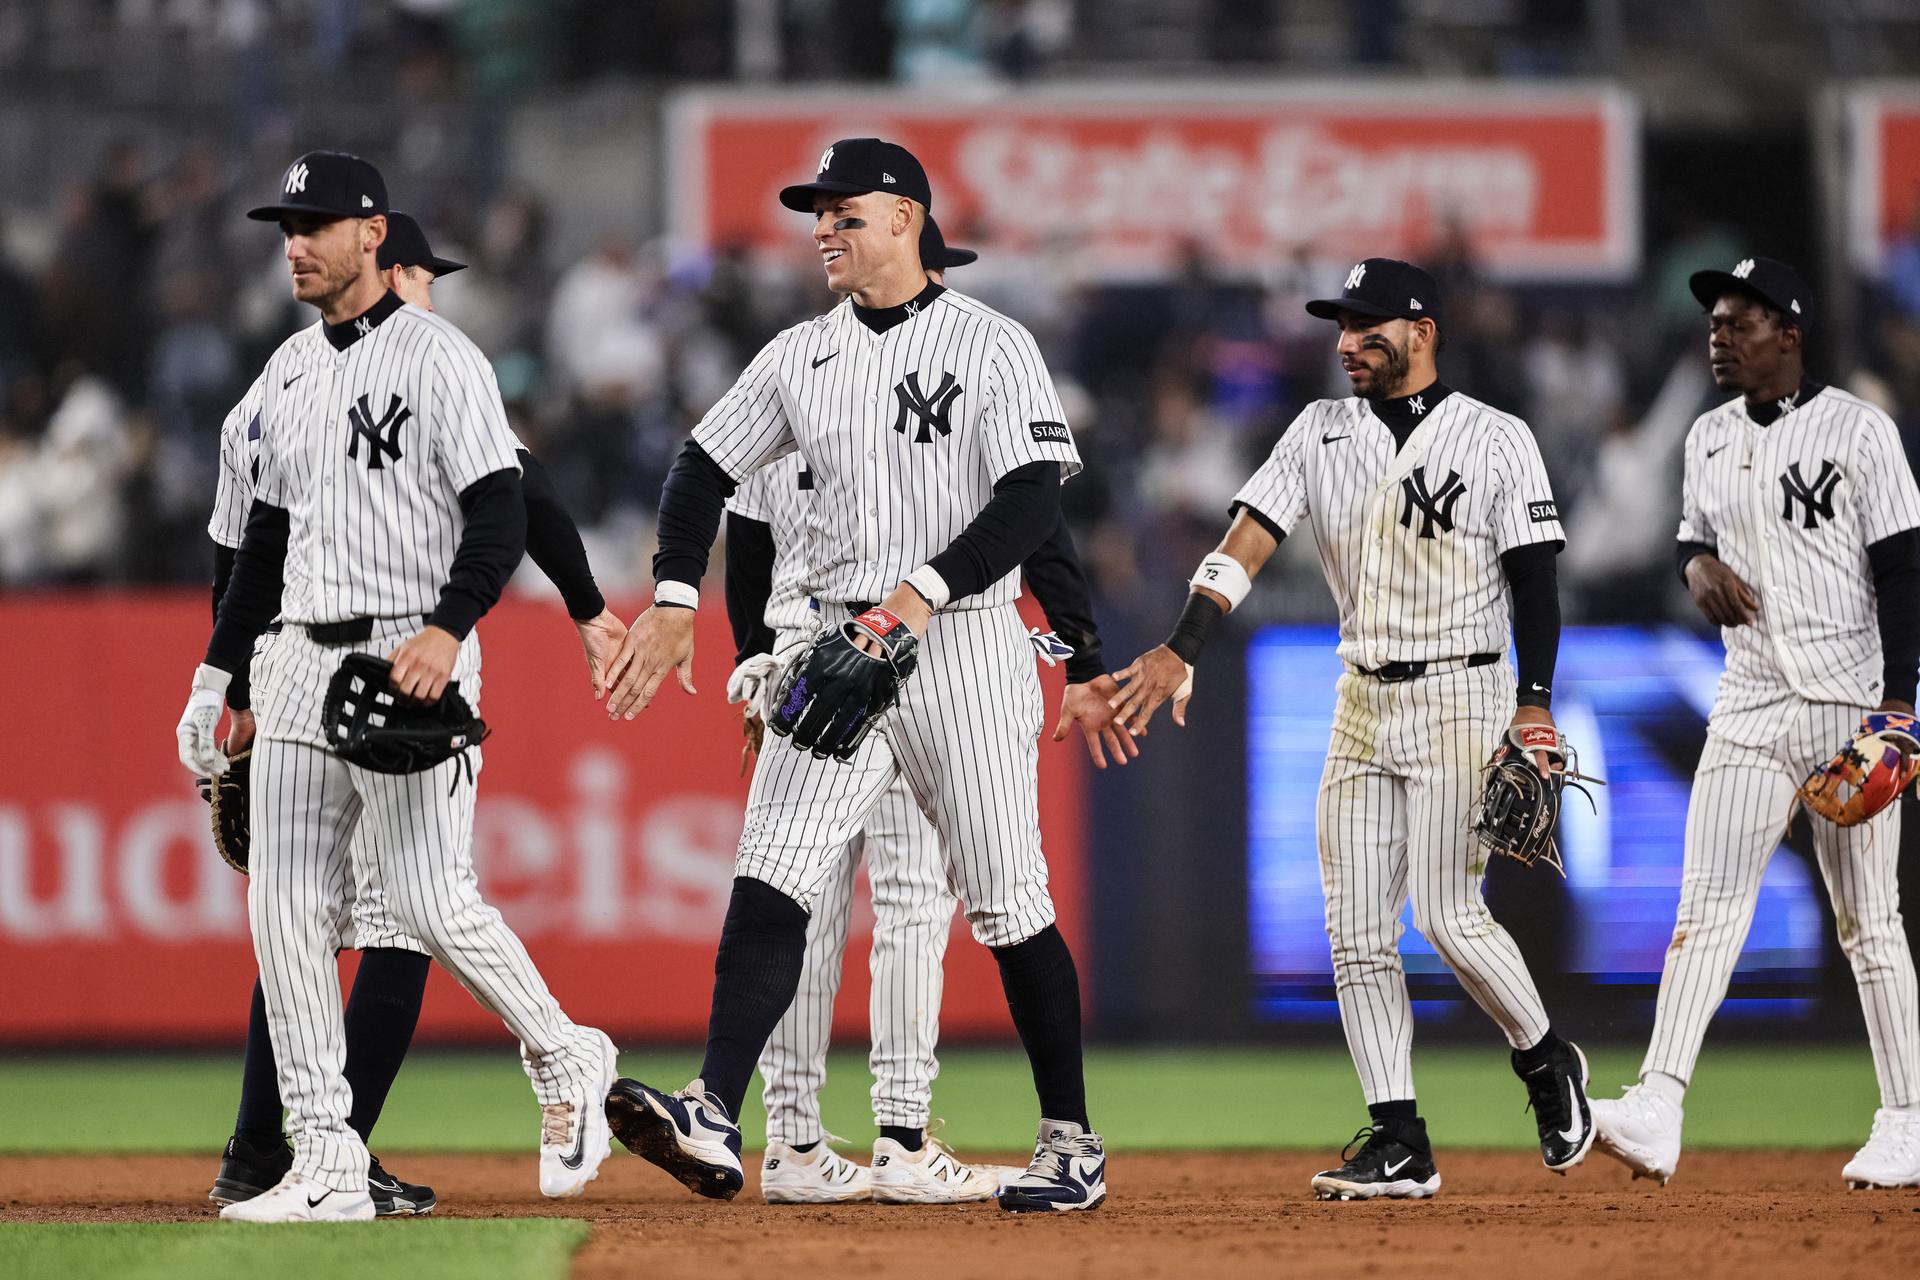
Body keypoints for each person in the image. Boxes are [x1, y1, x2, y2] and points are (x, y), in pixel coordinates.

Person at [598, 137, 1107, 1213]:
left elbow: (1031, 503)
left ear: (910, 219)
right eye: (815, 212)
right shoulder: (796, 356)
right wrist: (681, 597)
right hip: (831, 648)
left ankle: (1069, 1134)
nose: (822, 226)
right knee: (772, 871)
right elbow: (701, 470)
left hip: (957, 638)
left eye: (846, 210)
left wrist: (925, 594)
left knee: (1009, 901)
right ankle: (712, 1104)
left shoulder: (991, 341)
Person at [173, 152, 617, 1223]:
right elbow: (263, 539)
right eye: (288, 225)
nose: (296, 243)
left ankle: (566, 1053)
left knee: (423, 901)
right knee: (284, 912)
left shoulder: (441, 357)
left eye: (317, 224)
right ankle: (324, 1156)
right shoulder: (283, 373)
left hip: (403, 656)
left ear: (374, 235)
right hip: (295, 663)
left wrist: (447, 626)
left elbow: (502, 511)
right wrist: (214, 677)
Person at [1110, 258, 1595, 1200]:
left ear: (1423, 331)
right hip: (1361, 697)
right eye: (1342, 326)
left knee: (1450, 918)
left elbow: (1536, 580)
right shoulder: (1318, 430)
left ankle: (1547, 1065)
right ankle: (1400, 1138)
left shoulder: (1496, 438)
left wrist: (1534, 701)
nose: (1347, 342)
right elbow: (1244, 541)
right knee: (1357, 932)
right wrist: (1184, 646)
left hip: (1465, 690)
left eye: (1370, 325)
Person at [728, 216, 1131, 1204]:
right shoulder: (805, 382)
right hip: (831, 657)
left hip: (917, 645)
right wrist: (760, 655)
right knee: (852, 898)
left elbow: (1036, 523)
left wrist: (1081, 651)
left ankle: (840, 1136)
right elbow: (739, 526)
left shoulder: (961, 365)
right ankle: (845, 1136)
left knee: (895, 897)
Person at [1590, 257, 1920, 1190]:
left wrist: (1900, 706)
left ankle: (1907, 1118)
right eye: (1714, 323)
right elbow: (1695, 537)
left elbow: (1903, 571)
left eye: (1739, 322)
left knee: (1868, 921)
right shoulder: (1705, 436)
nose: (1719, 335)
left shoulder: (1860, 431)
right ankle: (1658, 1105)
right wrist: (1693, 568)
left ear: (1791, 332)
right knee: (1707, 907)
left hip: (1847, 702)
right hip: (1747, 701)